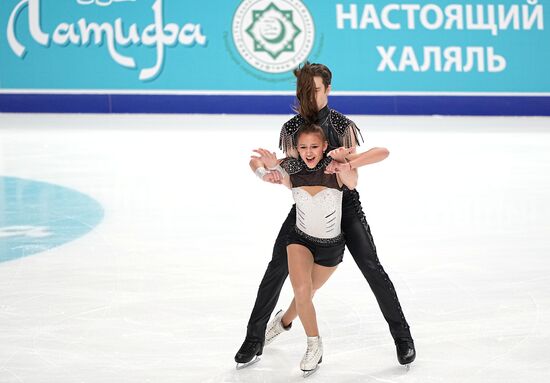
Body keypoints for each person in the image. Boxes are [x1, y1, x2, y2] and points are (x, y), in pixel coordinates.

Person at [235, 62, 415, 370]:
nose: (309, 95)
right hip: (307, 208)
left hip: (345, 204)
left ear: (328, 90)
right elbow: (289, 170)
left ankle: (403, 337)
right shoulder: (293, 128)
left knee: (371, 266)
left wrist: (346, 164)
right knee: (275, 268)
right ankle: (254, 339)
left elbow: (358, 169)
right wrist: (266, 174)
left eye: (315, 89)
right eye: (304, 90)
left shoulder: (343, 126)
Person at [250, 123, 390, 376]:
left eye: (314, 146)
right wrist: (267, 171)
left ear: (324, 146)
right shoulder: (292, 168)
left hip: (331, 247)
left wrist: (346, 163)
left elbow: (383, 152)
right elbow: (254, 163)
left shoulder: (335, 167)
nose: (309, 151)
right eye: (303, 147)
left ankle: (282, 322)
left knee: (307, 294)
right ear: (297, 150)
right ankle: (314, 344)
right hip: (299, 239)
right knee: (302, 290)